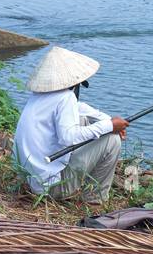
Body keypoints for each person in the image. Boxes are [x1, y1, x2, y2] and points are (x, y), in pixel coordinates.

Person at [13, 46, 129, 203]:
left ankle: (90, 194)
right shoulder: (66, 98)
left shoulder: (38, 97)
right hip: (51, 188)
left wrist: (110, 122)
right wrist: (110, 127)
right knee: (112, 140)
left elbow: (83, 110)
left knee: (91, 124)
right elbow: (68, 138)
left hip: (30, 180)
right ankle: (94, 199)